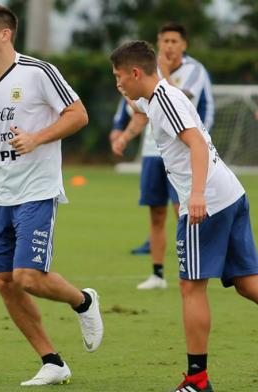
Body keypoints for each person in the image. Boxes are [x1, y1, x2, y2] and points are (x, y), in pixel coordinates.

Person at [0, 4, 103, 386]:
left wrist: (37, 137)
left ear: (5, 34)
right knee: (4, 282)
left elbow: (79, 115)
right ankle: (52, 361)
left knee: (28, 277)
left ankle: (84, 300)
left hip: (37, 188)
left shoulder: (39, 72)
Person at [111, 40, 258, 392]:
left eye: (118, 77)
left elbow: (195, 143)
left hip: (207, 203)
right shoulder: (159, 96)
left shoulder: (164, 99)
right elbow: (140, 104)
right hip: (230, 193)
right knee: (246, 282)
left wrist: (195, 195)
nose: (117, 85)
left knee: (191, 287)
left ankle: (197, 380)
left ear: (135, 72)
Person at [112, 22, 215, 290]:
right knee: (155, 214)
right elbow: (143, 110)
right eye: (164, 41)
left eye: (174, 41)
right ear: (158, 42)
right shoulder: (144, 71)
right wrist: (124, 136)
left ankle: (196, 269)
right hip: (152, 153)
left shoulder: (194, 70)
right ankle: (157, 274)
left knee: (183, 211)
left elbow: (179, 101)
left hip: (183, 154)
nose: (169, 46)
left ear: (184, 45)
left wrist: (165, 72)